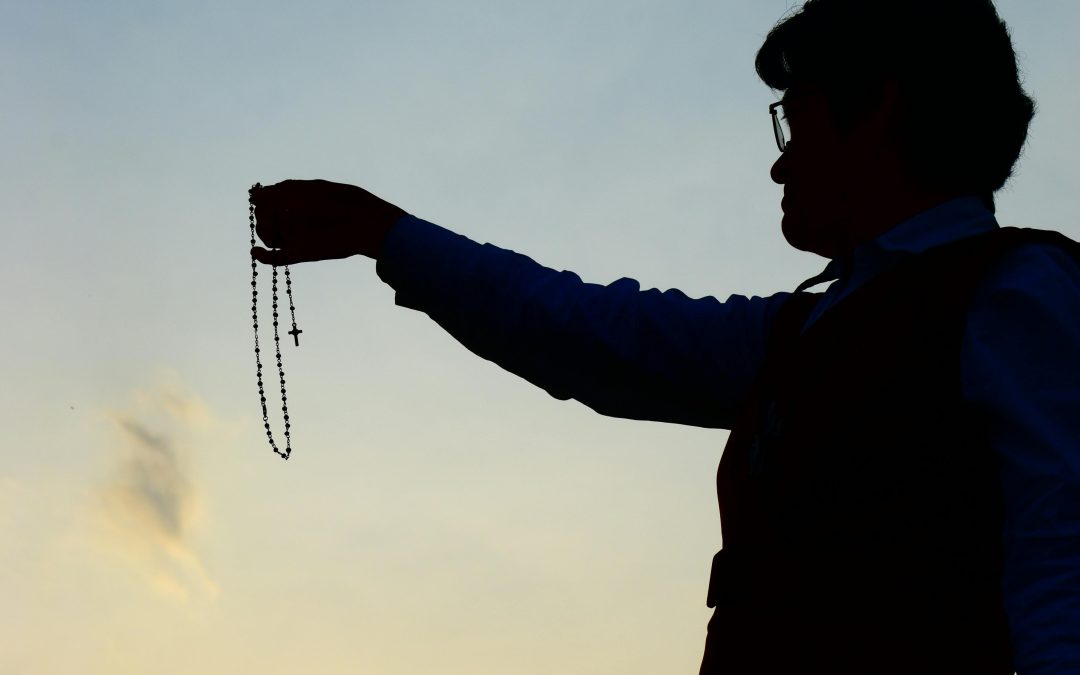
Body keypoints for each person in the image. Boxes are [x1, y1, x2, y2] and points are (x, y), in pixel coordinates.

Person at [250, 0, 1080, 672]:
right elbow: (591, 331)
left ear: (878, 105)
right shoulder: (799, 332)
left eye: (794, 120)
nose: (780, 163)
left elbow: (1063, 561)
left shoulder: (1015, 293)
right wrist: (384, 233)